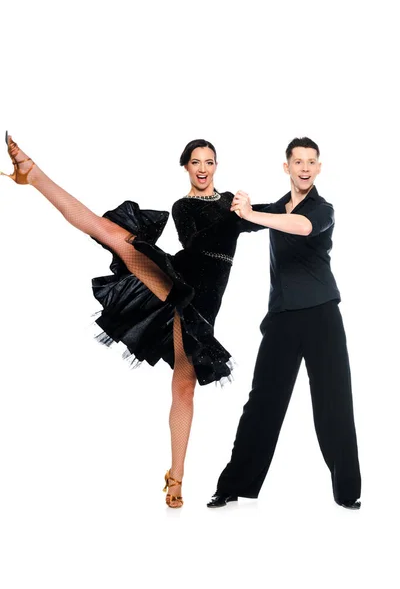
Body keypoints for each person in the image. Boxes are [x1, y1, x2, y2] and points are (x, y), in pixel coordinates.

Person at [1, 133, 266, 508]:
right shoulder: (184, 206)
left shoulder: (232, 204)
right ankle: (33, 174)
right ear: (186, 167)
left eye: (209, 162)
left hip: (203, 307)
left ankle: (175, 476)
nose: (202, 168)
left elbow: (271, 216)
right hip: (176, 282)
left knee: (184, 389)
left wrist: (252, 211)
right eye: (195, 162)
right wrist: (238, 216)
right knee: (108, 232)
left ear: (216, 166)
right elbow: (196, 241)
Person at [207, 137, 362, 510]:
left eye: (312, 161)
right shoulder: (276, 207)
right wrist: (226, 205)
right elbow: (237, 222)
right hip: (281, 319)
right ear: (287, 167)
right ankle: (232, 485)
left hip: (322, 315)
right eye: (298, 161)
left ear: (319, 168)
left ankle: (347, 493)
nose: (305, 167)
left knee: (333, 403)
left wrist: (252, 215)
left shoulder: (323, 209)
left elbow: (302, 226)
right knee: (262, 402)